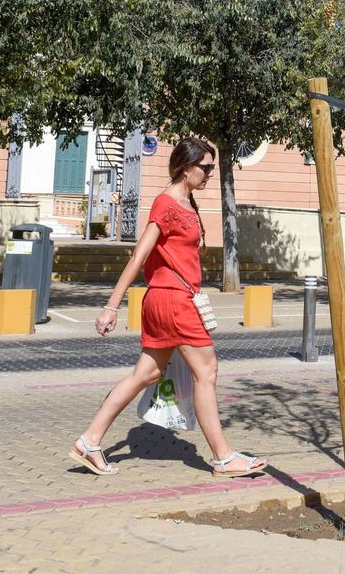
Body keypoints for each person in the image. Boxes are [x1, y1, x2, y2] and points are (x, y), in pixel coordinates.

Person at [70, 137, 266, 478]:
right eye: (205, 168)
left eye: (211, 168)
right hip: (174, 301)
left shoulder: (187, 202)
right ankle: (223, 458)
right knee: (207, 372)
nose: (208, 174)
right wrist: (111, 306)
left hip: (168, 299)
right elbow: (139, 255)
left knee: (145, 374)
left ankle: (89, 441)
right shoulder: (167, 203)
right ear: (185, 167)